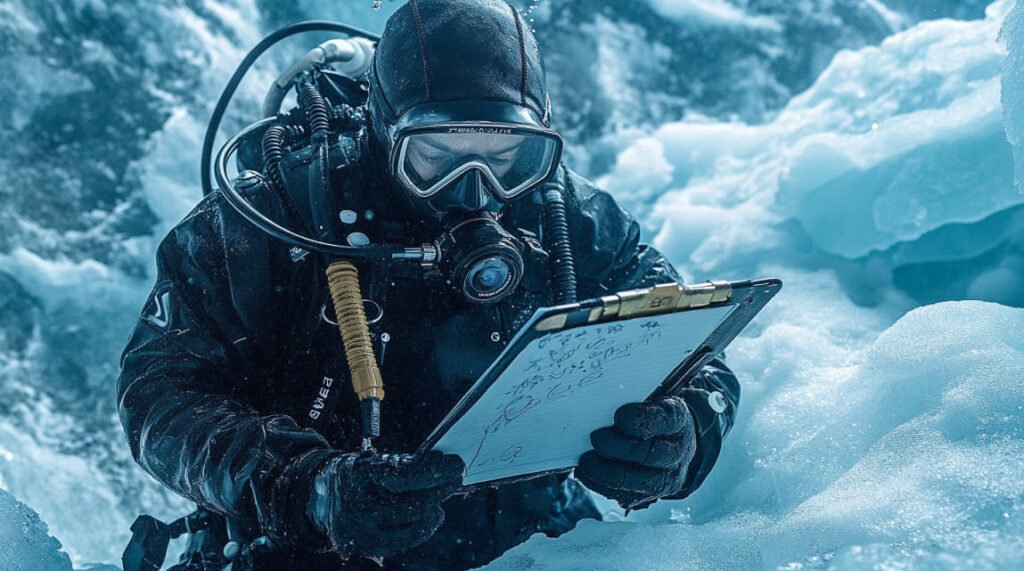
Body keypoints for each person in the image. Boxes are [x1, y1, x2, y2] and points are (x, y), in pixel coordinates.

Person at [117, 0, 740, 569]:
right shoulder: (268, 222)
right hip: (310, 542)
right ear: (383, 130)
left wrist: (683, 436)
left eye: (507, 157)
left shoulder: (570, 219)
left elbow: (693, 352)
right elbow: (157, 395)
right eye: (435, 157)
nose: (475, 190)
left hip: (531, 538)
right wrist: (300, 484)